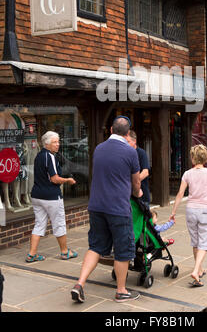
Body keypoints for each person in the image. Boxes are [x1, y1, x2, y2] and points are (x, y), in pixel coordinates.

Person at [71, 116, 142, 304]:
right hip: (118, 207)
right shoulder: (130, 152)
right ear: (128, 133)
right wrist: (138, 192)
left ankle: (79, 284)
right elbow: (136, 181)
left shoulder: (99, 148)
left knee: (95, 246)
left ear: (111, 130)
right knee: (123, 250)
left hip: (96, 206)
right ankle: (121, 291)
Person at [170, 144, 207, 287]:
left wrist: (173, 212)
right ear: (205, 159)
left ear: (193, 159)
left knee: (195, 242)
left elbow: (180, 194)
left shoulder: (187, 174)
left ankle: (199, 270)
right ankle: (195, 270)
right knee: (203, 244)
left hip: (191, 210)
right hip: (205, 210)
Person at [26, 131, 77, 263]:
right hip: (51, 197)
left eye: (58, 141)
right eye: (55, 142)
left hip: (37, 196)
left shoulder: (39, 156)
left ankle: (31, 255)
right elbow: (54, 179)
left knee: (39, 224)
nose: (58, 144)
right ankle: (65, 252)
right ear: (47, 144)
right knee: (59, 224)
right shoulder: (50, 157)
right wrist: (68, 180)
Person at [127, 130, 151, 206]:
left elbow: (145, 172)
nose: (126, 144)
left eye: (128, 142)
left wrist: (134, 181)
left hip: (142, 195)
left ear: (135, 141)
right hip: (128, 195)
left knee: (144, 218)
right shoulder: (124, 154)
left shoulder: (141, 153)